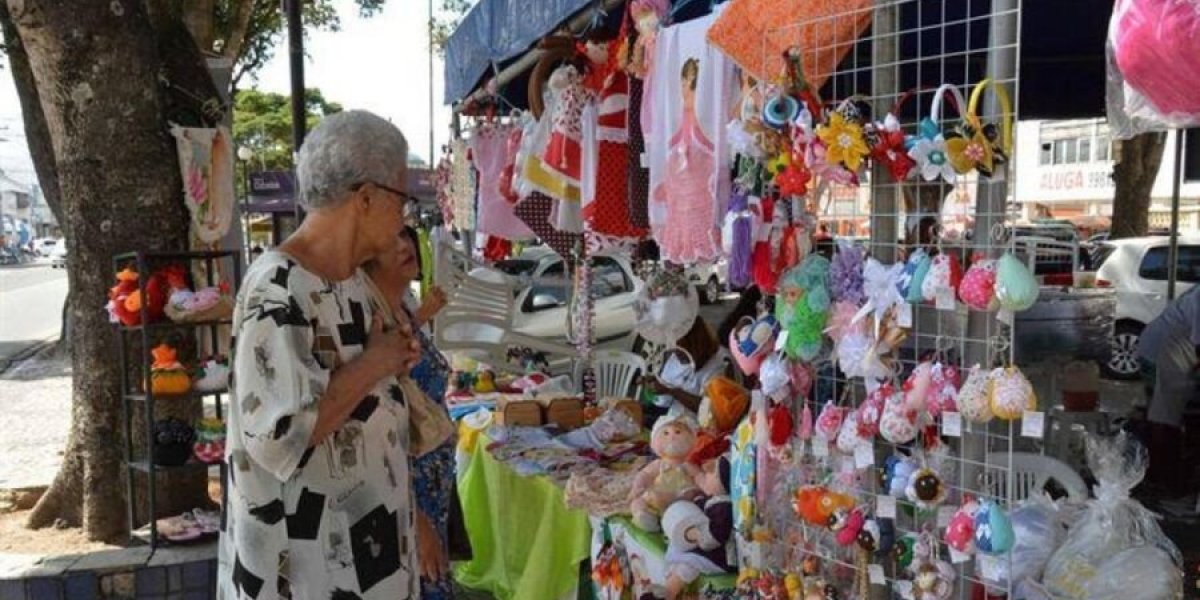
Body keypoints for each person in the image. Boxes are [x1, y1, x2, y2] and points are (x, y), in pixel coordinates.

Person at [218, 111, 424, 600]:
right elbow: (280, 436)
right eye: (402, 198)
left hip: (365, 561)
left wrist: (391, 363)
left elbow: (361, 382)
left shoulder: (352, 281)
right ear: (367, 197)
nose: (405, 217)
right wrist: (374, 364)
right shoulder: (279, 286)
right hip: (303, 574)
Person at [364, 226, 454, 598]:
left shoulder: (396, 311)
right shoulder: (376, 326)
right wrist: (417, 523)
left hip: (430, 487)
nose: (404, 246)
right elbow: (377, 437)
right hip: (408, 491)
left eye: (407, 237)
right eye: (392, 238)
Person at [1135, 285, 1200, 494]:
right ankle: (1161, 478)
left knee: (1174, 412)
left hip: (1184, 350)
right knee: (1165, 415)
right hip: (1160, 351)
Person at [642, 315, 732, 419]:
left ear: (693, 342)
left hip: (699, 425)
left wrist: (672, 391)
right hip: (672, 418)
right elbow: (663, 402)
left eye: (677, 345)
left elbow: (711, 410)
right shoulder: (675, 357)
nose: (673, 352)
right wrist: (655, 384)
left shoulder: (718, 366)